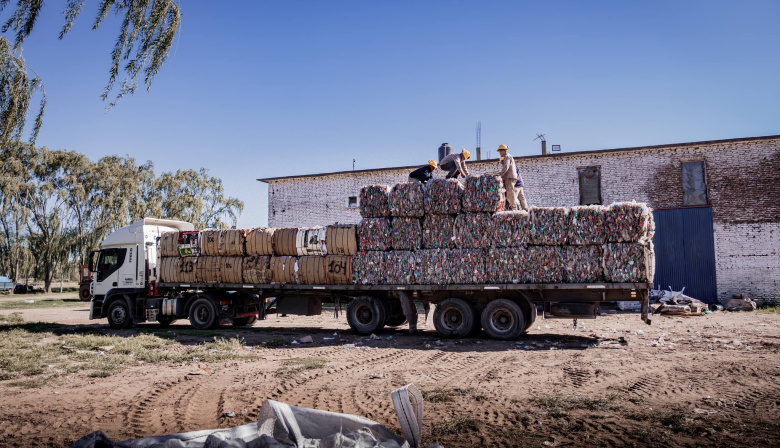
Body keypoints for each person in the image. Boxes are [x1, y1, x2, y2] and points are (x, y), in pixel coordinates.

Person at [496, 144, 521, 211]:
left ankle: (514, 209)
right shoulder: (508, 157)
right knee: (508, 194)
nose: (500, 153)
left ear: (504, 151)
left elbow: (505, 168)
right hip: (509, 177)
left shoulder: (507, 157)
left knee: (510, 193)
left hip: (509, 178)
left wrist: (499, 175)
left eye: (500, 152)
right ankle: (511, 208)